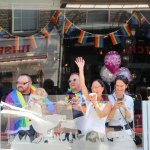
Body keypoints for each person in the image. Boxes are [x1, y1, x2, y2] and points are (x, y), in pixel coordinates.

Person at [5, 74, 55, 142]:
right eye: (18, 83)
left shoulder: (39, 93)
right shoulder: (11, 96)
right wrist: (21, 112)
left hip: (35, 131)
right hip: (17, 132)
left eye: (23, 83)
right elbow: (5, 114)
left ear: (30, 83)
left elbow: (51, 110)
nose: (19, 85)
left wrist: (41, 107)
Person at [75, 57, 112, 141]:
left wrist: (95, 103)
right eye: (93, 88)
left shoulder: (108, 103)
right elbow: (82, 85)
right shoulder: (89, 100)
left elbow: (101, 115)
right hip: (86, 135)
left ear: (102, 88)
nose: (95, 90)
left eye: (97, 87)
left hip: (99, 136)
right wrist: (81, 69)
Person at [107, 75, 137, 149]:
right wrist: (114, 108)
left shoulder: (129, 99)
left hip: (126, 134)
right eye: (117, 85)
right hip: (112, 134)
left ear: (126, 86)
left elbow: (130, 120)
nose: (119, 88)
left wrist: (125, 108)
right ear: (115, 85)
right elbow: (106, 119)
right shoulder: (109, 98)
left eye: (122, 86)